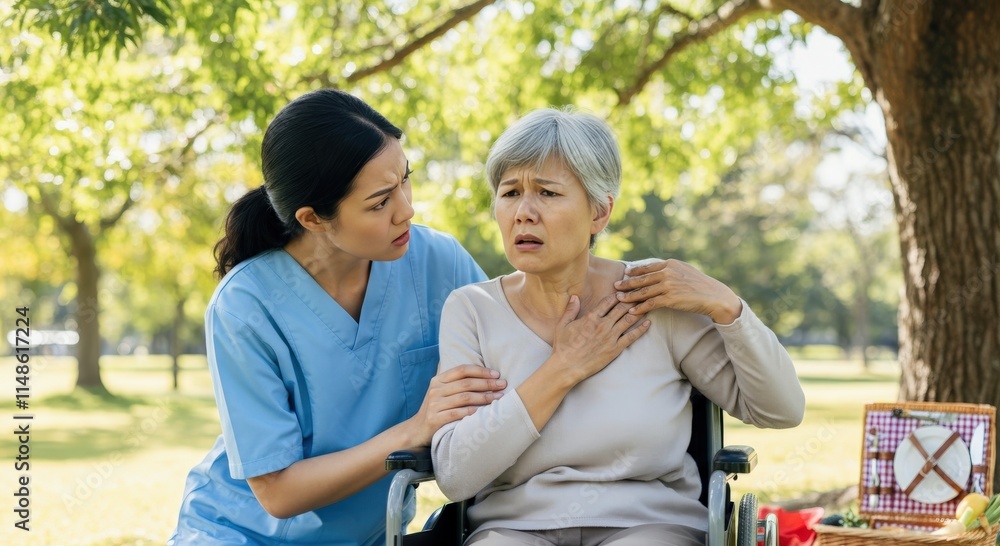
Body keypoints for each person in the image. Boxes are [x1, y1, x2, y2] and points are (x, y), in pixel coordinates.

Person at [168, 90, 649, 545]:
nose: (407, 210)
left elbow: (524, 364)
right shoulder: (246, 305)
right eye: (379, 202)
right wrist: (415, 429)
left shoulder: (439, 261)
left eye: (404, 179)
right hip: (236, 532)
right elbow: (279, 493)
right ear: (314, 219)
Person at [431, 108, 806, 546]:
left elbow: (780, 410)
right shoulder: (472, 310)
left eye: (547, 193)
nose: (524, 212)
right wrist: (563, 368)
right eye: (510, 192)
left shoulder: (652, 294)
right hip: (514, 531)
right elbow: (456, 476)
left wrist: (726, 305)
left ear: (599, 212)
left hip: (649, 527)